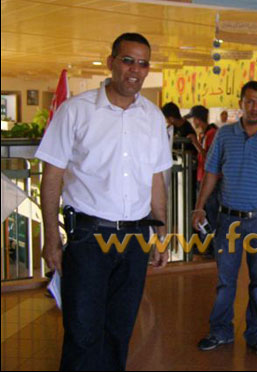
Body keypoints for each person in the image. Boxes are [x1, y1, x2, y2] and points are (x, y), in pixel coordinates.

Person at [37, 33, 173, 371]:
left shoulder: (153, 117)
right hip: (89, 238)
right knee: (82, 333)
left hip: (136, 239)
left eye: (143, 63)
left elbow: (156, 181)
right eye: (128, 60)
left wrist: (162, 234)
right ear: (111, 62)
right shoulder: (76, 111)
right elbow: (52, 176)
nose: (135, 70)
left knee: (119, 332)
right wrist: (51, 237)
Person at [193, 80, 257, 357]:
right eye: (249, 101)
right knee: (226, 281)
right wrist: (199, 207)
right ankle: (220, 331)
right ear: (241, 103)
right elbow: (211, 173)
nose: (254, 107)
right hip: (228, 220)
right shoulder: (225, 136)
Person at [186, 105, 219, 255]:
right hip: (201, 178)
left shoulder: (212, 134)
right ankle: (204, 244)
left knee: (210, 214)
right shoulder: (204, 134)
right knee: (203, 214)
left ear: (198, 120)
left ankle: (212, 247)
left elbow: (210, 159)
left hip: (209, 181)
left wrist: (196, 143)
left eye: (193, 119)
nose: (193, 123)